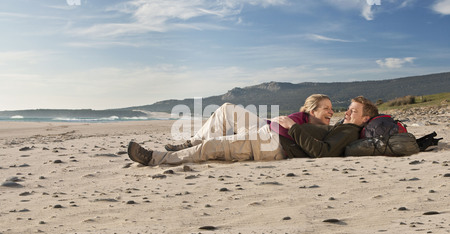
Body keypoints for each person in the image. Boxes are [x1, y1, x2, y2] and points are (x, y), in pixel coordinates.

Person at [127, 96, 378, 166]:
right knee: (214, 141)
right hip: (272, 138)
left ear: (365, 118)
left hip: (276, 144)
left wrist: (294, 127)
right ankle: (168, 152)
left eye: (352, 111)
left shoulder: (348, 133)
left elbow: (321, 153)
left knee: (212, 147)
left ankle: (154, 158)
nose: (346, 113)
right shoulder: (344, 129)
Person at [164, 94, 333, 151]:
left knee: (226, 112)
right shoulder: (299, 118)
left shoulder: (319, 127)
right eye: (327, 109)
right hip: (263, 128)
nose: (331, 112)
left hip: (265, 135)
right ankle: (193, 143)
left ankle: (193, 143)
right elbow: (282, 130)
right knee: (226, 110)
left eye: (331, 109)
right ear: (312, 111)